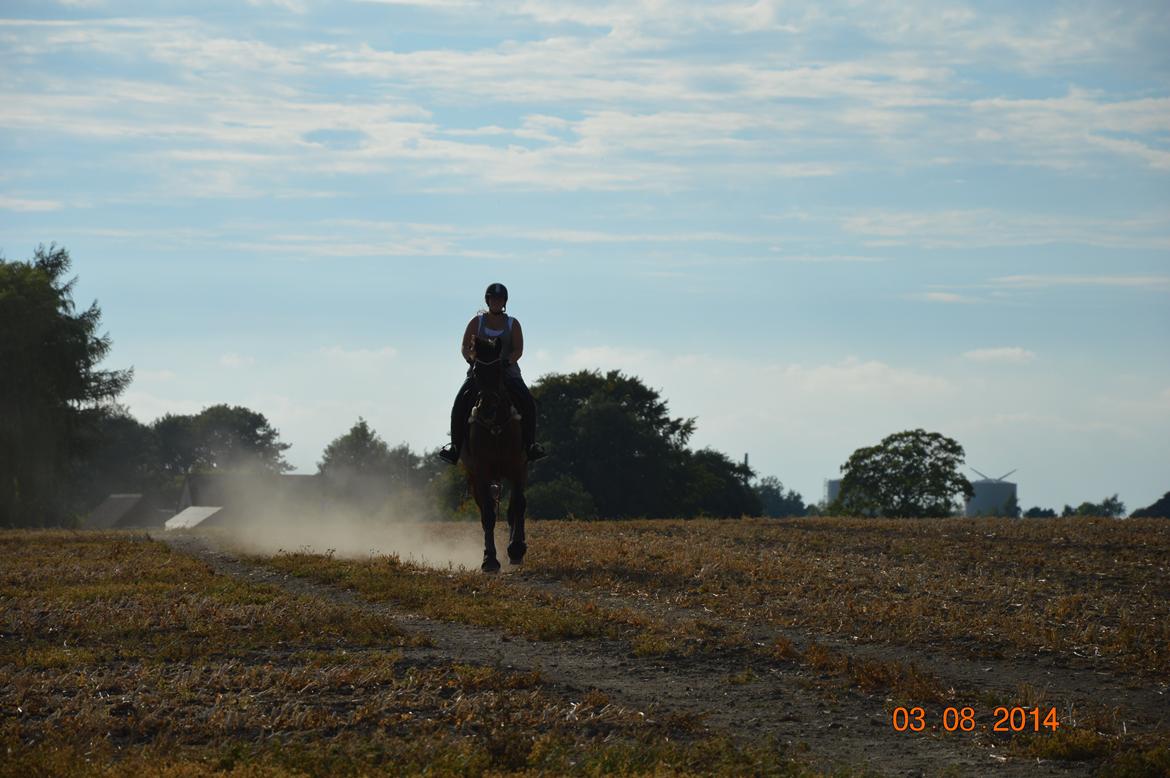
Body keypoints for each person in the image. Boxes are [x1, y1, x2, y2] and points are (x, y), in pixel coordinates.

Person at [438, 283, 546, 464]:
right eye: (493, 299)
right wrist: (471, 360)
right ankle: (455, 447)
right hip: (479, 373)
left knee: (527, 402)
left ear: (504, 302)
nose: (496, 302)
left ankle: (530, 446)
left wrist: (507, 362)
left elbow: (518, 349)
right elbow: (465, 346)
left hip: (507, 373)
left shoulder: (513, 324)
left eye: (500, 299)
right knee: (460, 402)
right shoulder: (476, 322)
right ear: (488, 301)